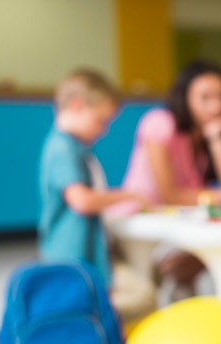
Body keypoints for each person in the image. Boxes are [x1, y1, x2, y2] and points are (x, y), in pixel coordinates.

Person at [118, 60, 221, 300]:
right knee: (215, 244)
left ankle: (196, 287)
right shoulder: (160, 123)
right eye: (206, 97)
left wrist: (217, 140)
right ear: (185, 98)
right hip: (145, 216)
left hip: (185, 216)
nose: (217, 106)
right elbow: (168, 196)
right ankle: (172, 279)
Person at [39, 69, 156, 322]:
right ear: (76, 105)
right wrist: (128, 195)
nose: (103, 130)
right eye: (101, 121)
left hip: (88, 250)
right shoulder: (63, 148)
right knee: (137, 297)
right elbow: (82, 201)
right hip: (73, 253)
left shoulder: (77, 147)